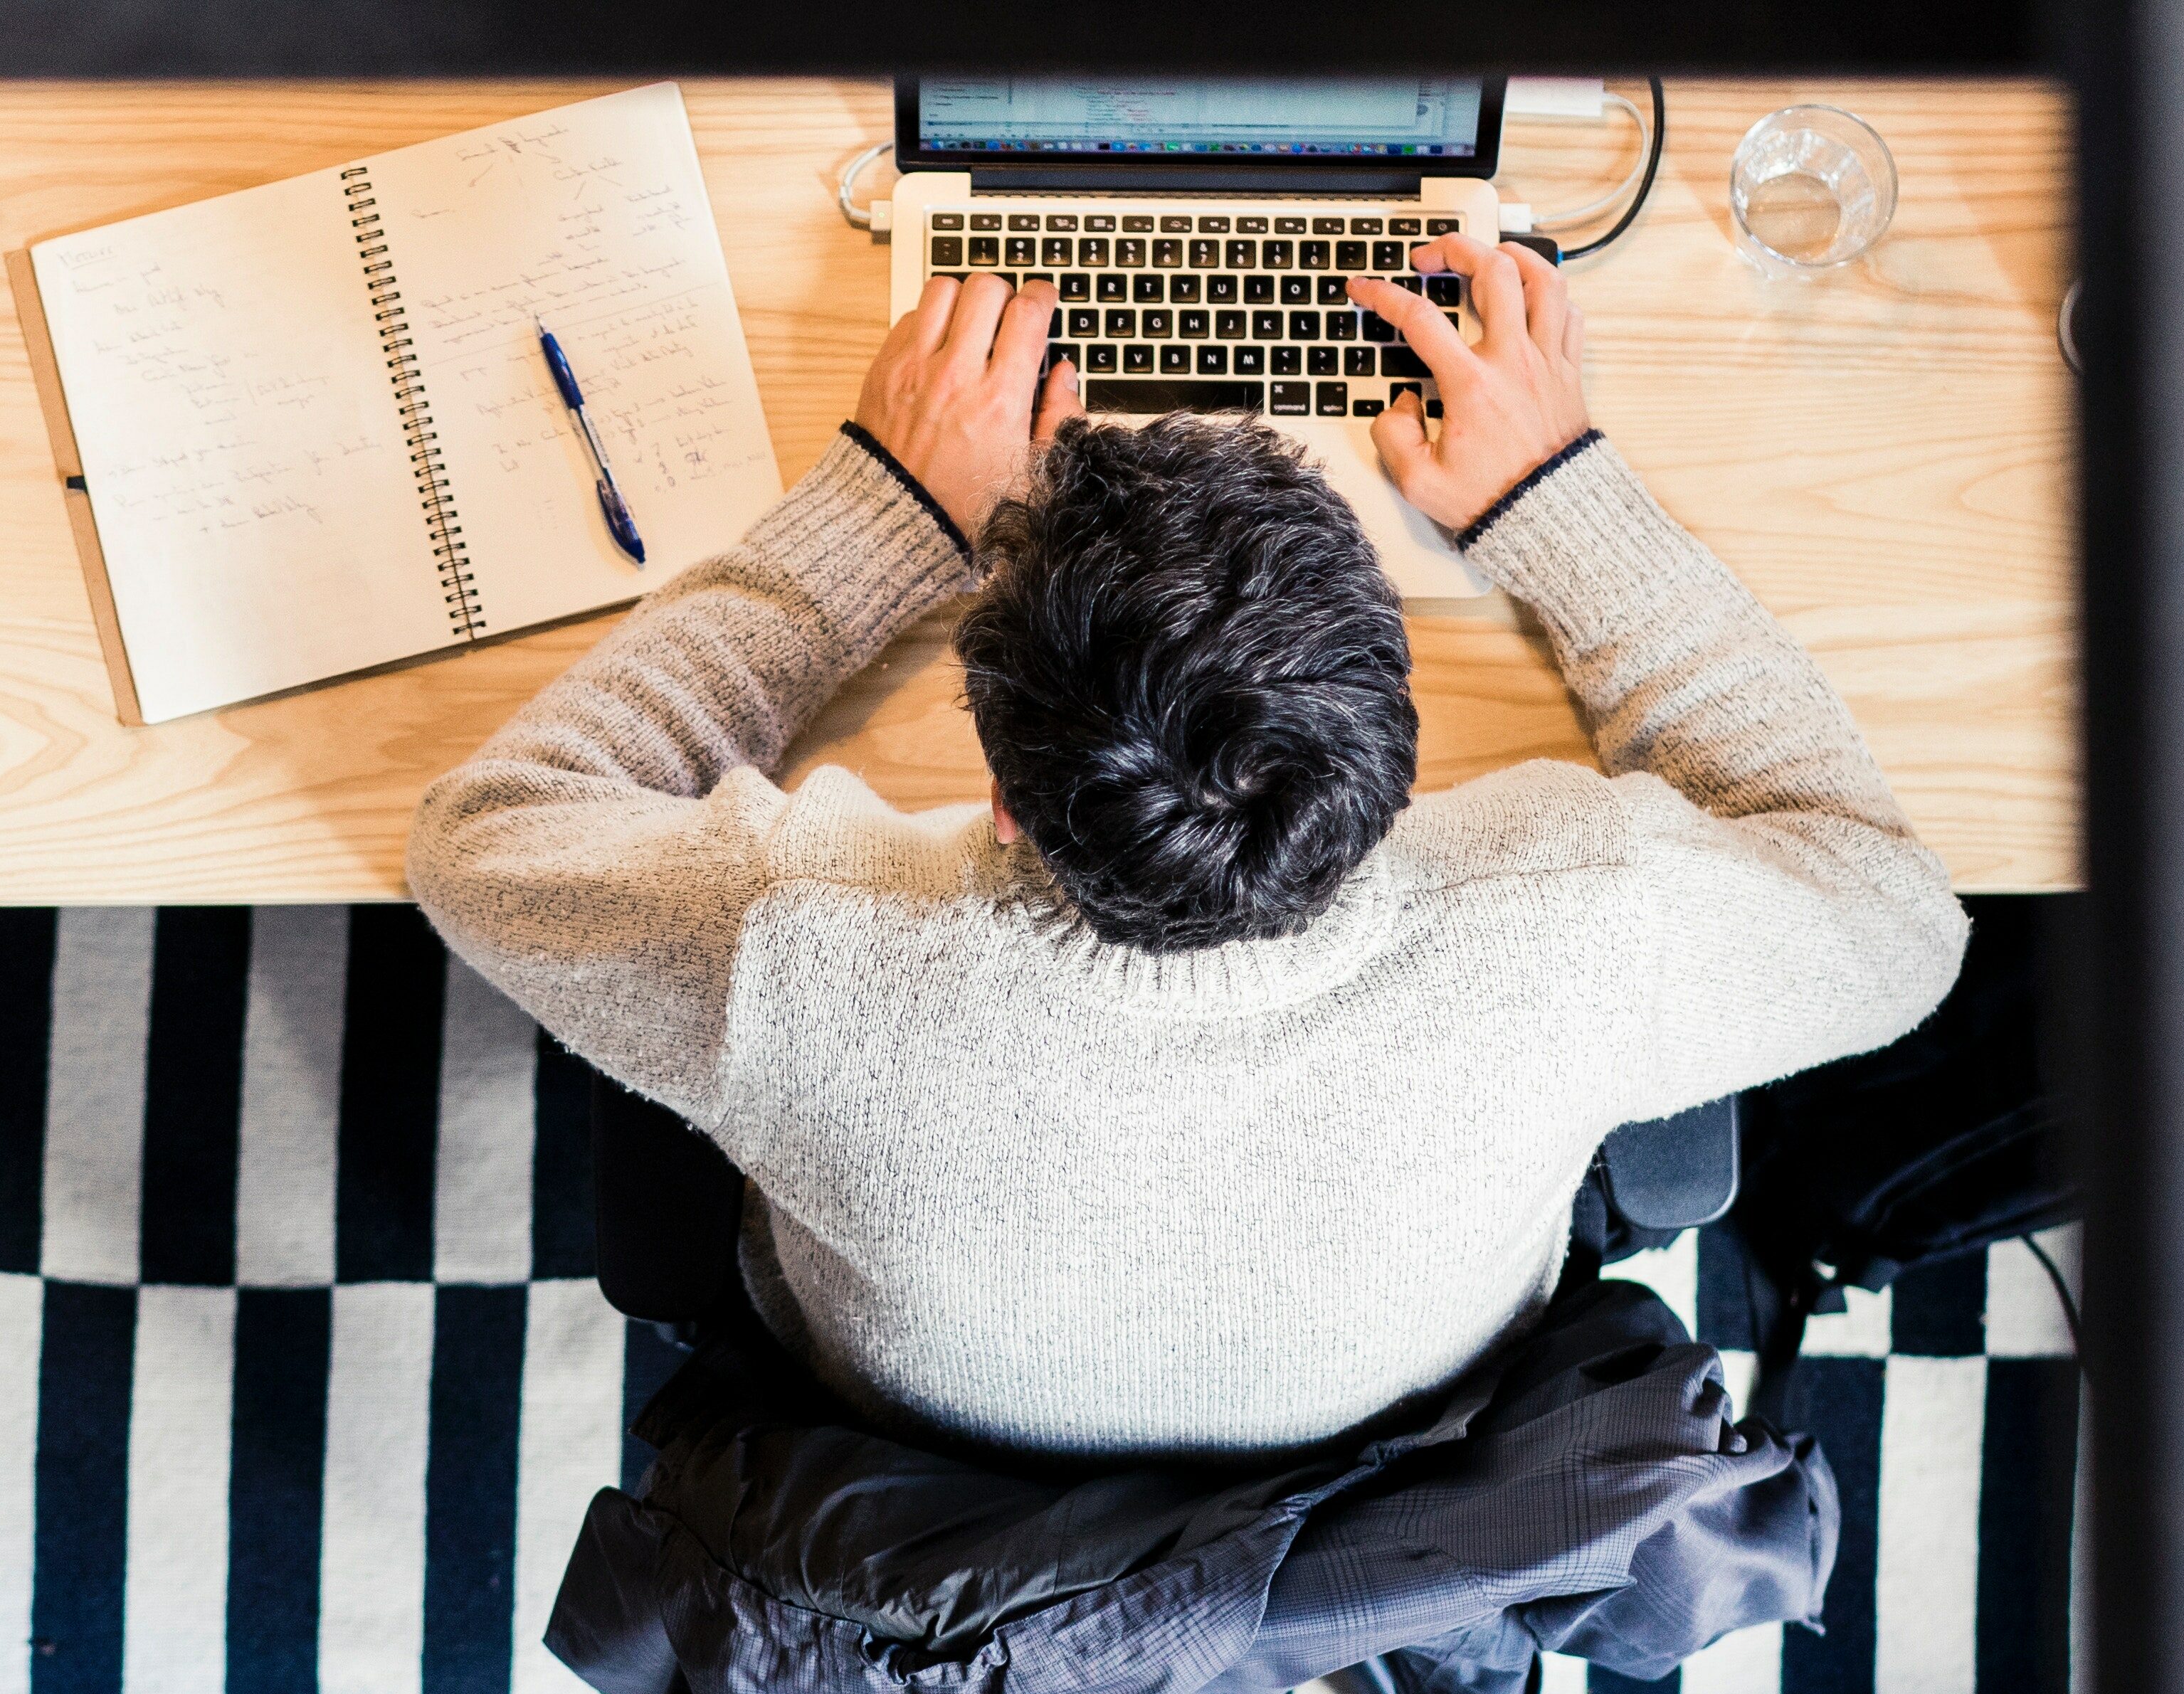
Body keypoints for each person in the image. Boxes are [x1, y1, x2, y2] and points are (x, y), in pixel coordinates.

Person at [410, 240, 1964, 1467]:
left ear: (1003, 801)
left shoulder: (802, 942)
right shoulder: (1572, 925)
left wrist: (885, 514)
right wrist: (1556, 502)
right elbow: (1891, 908)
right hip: (1394, 1462)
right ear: (1394, 751)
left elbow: (490, 832)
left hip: (922, 1475)